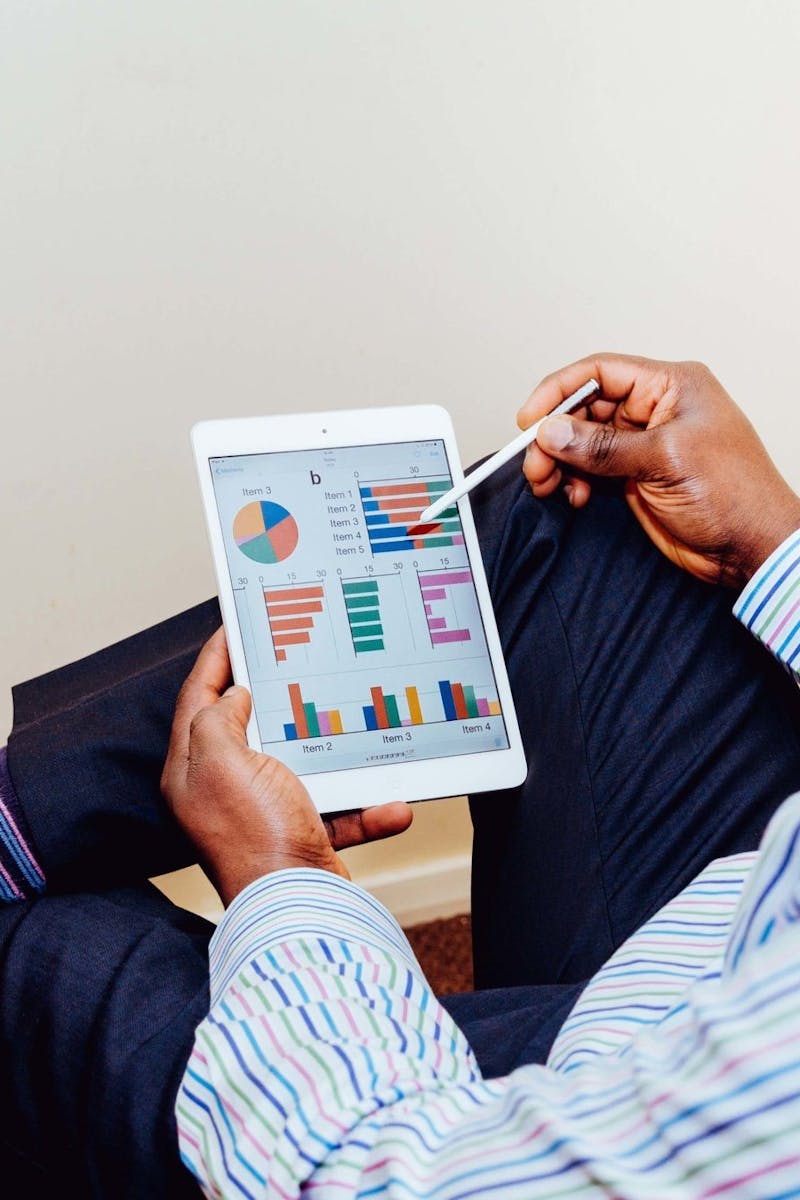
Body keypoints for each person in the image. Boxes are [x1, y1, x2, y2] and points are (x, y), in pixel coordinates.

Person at [2, 353, 800, 1198]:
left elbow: (367, 1179)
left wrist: (284, 876)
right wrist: (777, 541)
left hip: (626, 1091)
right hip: (740, 930)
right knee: (581, 518)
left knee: (51, 958)